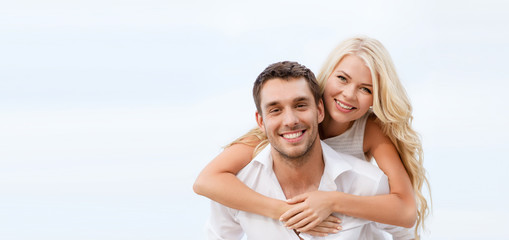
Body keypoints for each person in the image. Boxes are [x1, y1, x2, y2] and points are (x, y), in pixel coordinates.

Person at [194, 36, 430, 238]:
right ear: (326, 78)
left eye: (366, 89)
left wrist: (331, 201)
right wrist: (285, 211)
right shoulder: (275, 133)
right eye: (342, 79)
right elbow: (206, 181)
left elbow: (405, 212)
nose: (348, 95)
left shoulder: (368, 132)